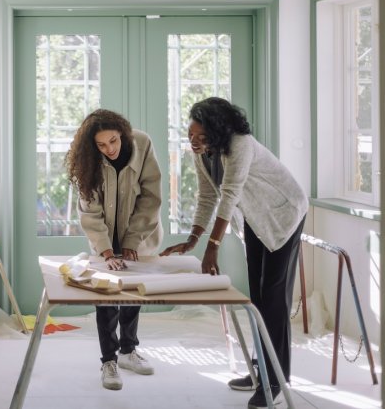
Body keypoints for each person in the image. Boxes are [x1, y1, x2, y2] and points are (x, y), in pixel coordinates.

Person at [160, 97, 308, 408]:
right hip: (255, 218)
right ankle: (260, 370)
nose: (195, 143)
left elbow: (229, 194)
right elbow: (206, 198)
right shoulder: (203, 156)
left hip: (284, 214)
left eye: (201, 137)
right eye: (190, 136)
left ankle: (275, 381)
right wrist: (192, 240)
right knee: (257, 298)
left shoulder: (241, 144)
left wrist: (212, 247)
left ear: (218, 131)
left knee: (273, 297)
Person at [65, 109, 163, 391]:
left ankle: (129, 352)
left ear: (122, 134)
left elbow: (151, 197)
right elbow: (89, 211)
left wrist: (132, 240)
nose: (109, 149)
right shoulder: (89, 160)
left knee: (133, 291)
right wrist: (106, 250)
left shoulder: (142, 144)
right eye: (101, 145)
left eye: (114, 141)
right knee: (106, 295)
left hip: (139, 232)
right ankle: (108, 360)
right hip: (104, 236)